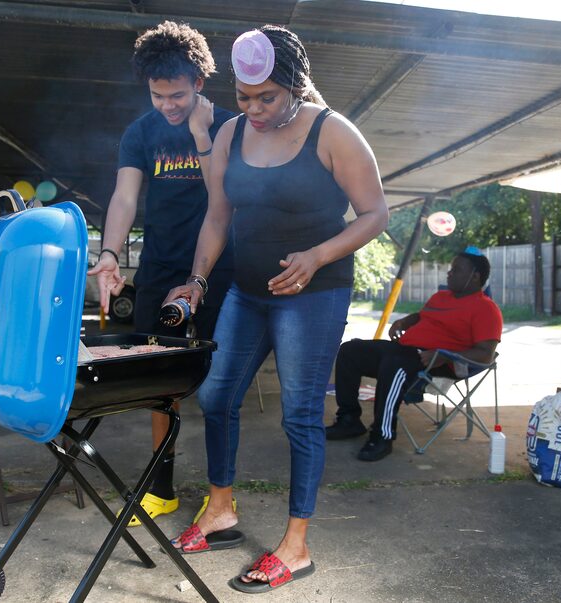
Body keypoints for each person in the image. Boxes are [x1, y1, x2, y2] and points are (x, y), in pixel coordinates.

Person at [165, 25, 388, 594]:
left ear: (293, 85)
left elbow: (374, 214)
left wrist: (316, 256)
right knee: (216, 396)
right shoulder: (230, 135)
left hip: (312, 294)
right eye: (244, 97)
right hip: (247, 290)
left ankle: (296, 546)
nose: (255, 109)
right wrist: (196, 281)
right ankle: (220, 513)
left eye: (268, 97)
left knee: (299, 415)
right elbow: (218, 217)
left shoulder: (333, 131)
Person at [86, 21, 235, 526]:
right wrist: (110, 253)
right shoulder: (140, 133)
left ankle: (221, 496)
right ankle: (162, 487)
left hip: (219, 270)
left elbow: (228, 202)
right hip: (159, 267)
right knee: (157, 379)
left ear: (199, 81)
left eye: (177, 94)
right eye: (157, 95)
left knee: (218, 388)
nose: (168, 104)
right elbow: (126, 196)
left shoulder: (229, 125)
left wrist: (200, 136)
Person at [327, 248, 503, 462]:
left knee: (395, 365)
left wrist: (445, 355)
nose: (449, 273)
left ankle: (383, 435)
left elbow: (485, 354)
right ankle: (349, 419)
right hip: (404, 349)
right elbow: (423, 316)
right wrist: (405, 322)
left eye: (456, 270)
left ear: (475, 276)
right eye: (451, 269)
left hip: (436, 360)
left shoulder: (486, 309)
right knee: (349, 350)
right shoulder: (441, 297)